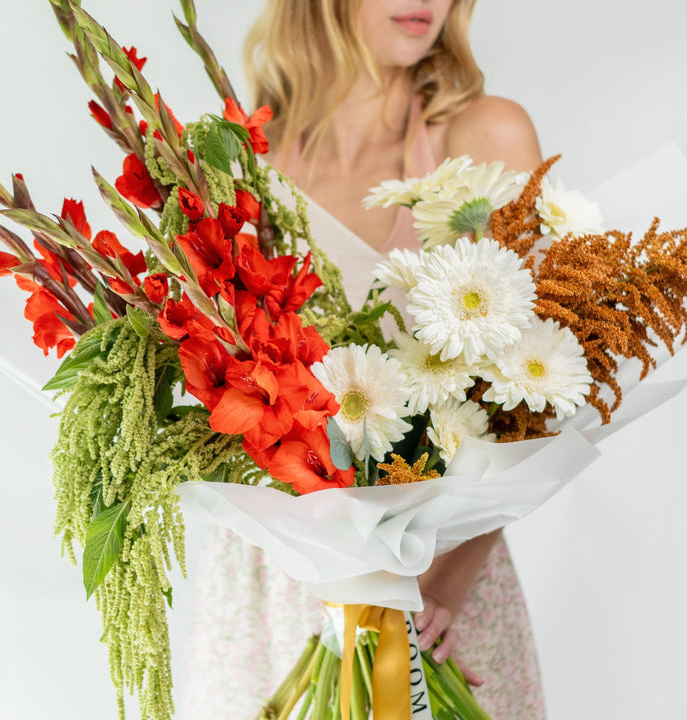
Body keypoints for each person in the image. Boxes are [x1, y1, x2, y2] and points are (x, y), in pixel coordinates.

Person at [176, 1, 544, 718]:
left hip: (441, 583)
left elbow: (543, 386)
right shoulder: (242, 158)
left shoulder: (484, 135)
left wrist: (443, 582)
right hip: (268, 592)